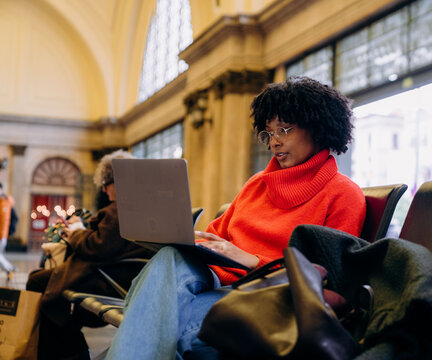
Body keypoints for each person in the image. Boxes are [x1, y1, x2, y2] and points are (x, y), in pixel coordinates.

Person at [105, 76, 367, 360]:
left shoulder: (343, 194)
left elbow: (332, 281)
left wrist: (252, 261)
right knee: (170, 258)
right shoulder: (257, 184)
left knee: (160, 315)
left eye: (285, 130)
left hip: (271, 301)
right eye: (268, 133)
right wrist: (194, 241)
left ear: (318, 129)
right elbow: (216, 234)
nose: (274, 142)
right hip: (219, 282)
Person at [26, 150, 155, 360]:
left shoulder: (121, 209)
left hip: (108, 279)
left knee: (37, 283)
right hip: (119, 274)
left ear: (119, 181)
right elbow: (109, 242)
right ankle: (66, 347)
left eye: (106, 183)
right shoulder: (137, 208)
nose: (104, 190)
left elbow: (97, 247)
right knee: (42, 284)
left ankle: (70, 349)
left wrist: (77, 233)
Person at [0, 182, 15, 274]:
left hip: (2, 235)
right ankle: (9, 268)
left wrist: (11, 231)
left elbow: (14, 218)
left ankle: (9, 268)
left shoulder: (7, 202)